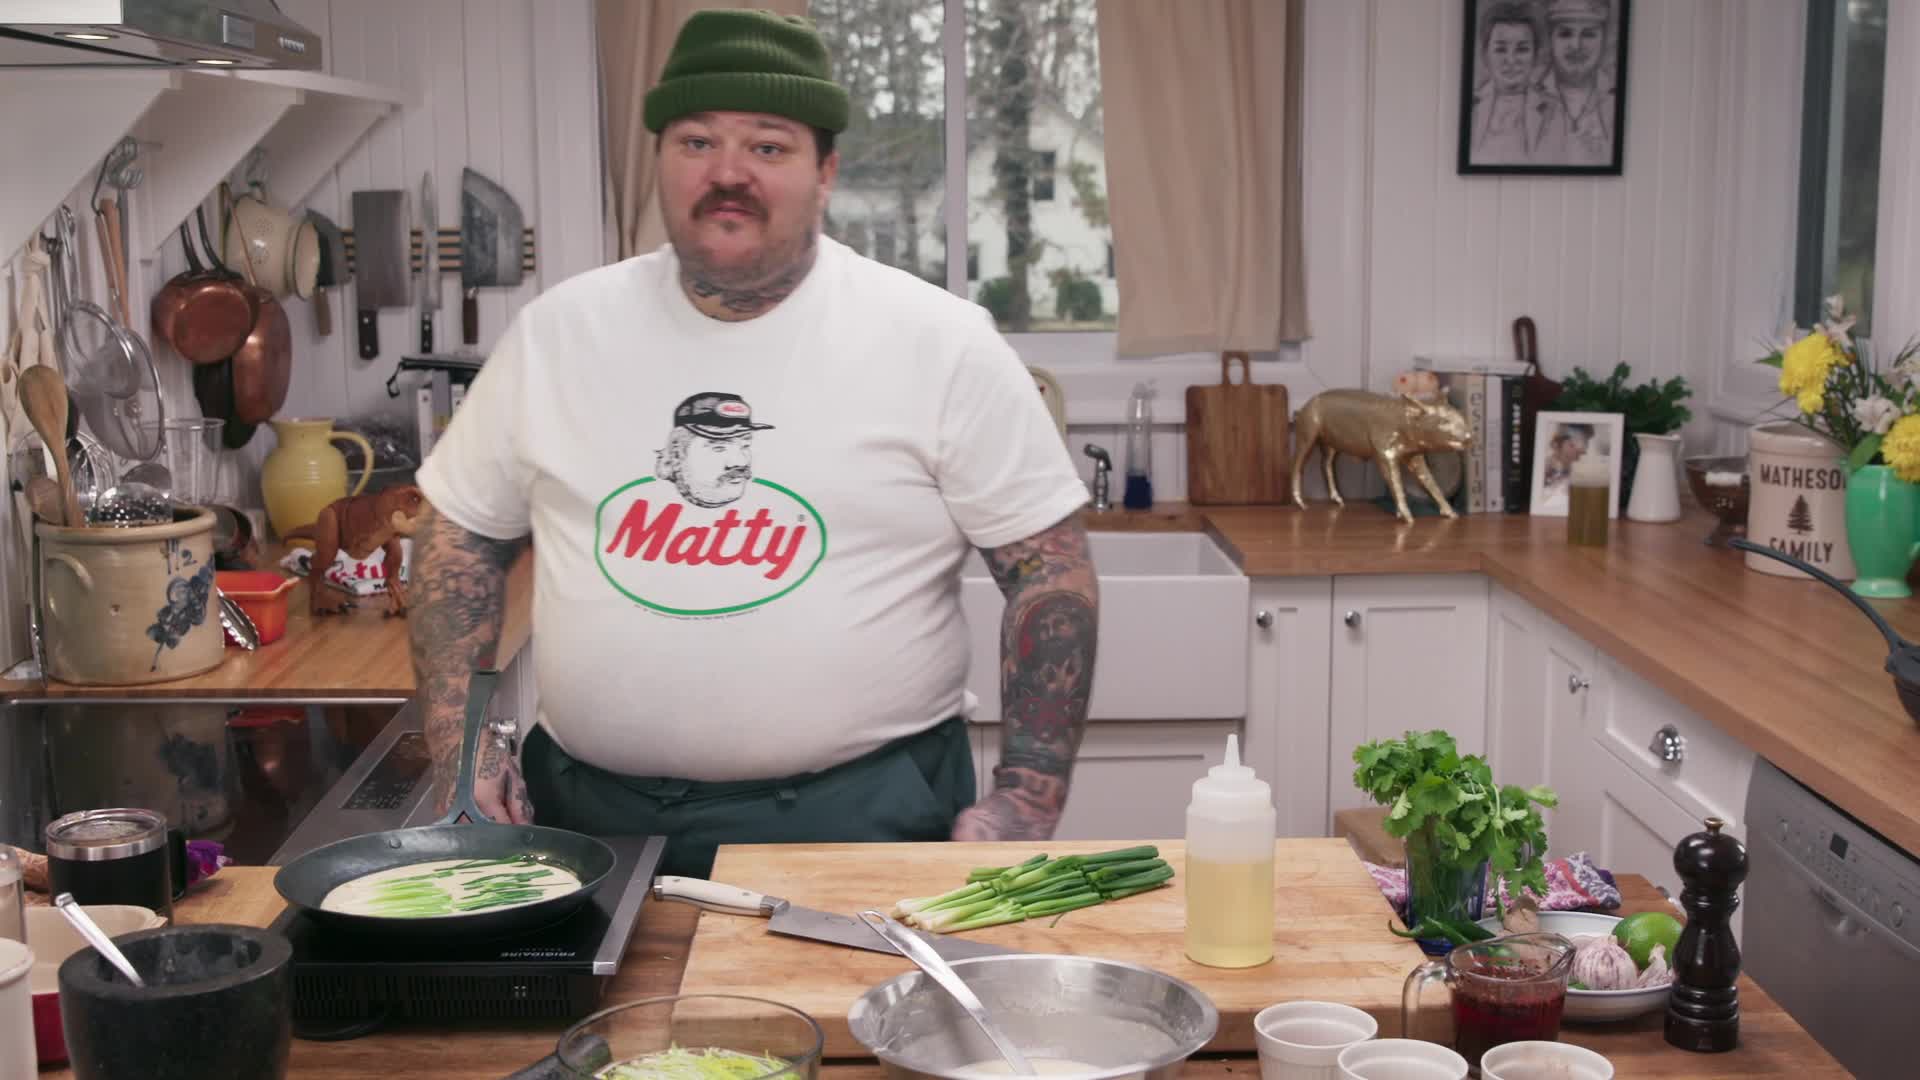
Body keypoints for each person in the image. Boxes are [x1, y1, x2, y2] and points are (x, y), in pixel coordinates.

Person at [407, 10, 1097, 879]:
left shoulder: (941, 342)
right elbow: (461, 536)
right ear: (660, 159)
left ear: (826, 172)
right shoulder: (558, 334)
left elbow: (1048, 571)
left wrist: (1028, 795)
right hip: (583, 817)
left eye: (768, 146)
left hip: (860, 820)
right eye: (697, 142)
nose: (728, 174)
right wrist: (462, 746)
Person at [1532, 0, 1617, 167]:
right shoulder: (1528, 94)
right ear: (1550, 39)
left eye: (1589, 34)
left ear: (1604, 39)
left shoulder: (1616, 97)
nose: (1576, 45)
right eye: (1565, 34)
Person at [1467, 1, 1544, 164]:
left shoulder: (1554, 110)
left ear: (1536, 56)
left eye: (1522, 49)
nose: (1511, 60)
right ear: (1485, 55)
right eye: (1501, 49)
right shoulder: (1470, 105)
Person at [1541, 424, 1593, 504]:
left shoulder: (1581, 476)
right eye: (1572, 445)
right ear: (1555, 444)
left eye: (1584, 445)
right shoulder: (1541, 472)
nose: (1581, 451)